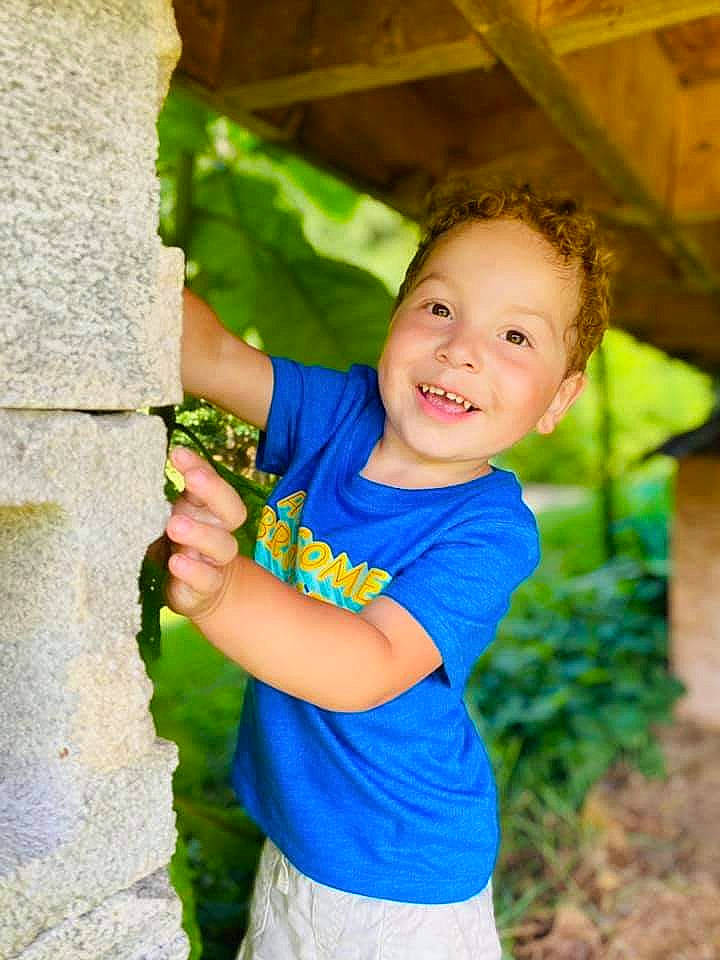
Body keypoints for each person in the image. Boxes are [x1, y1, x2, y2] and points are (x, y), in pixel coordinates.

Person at [164, 184, 612, 960]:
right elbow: (207, 356)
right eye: (439, 309)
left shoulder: (490, 530)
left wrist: (227, 589)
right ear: (396, 316)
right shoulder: (339, 414)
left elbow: (364, 667)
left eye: (515, 336)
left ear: (558, 399)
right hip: (302, 836)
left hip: (402, 874)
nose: (462, 348)